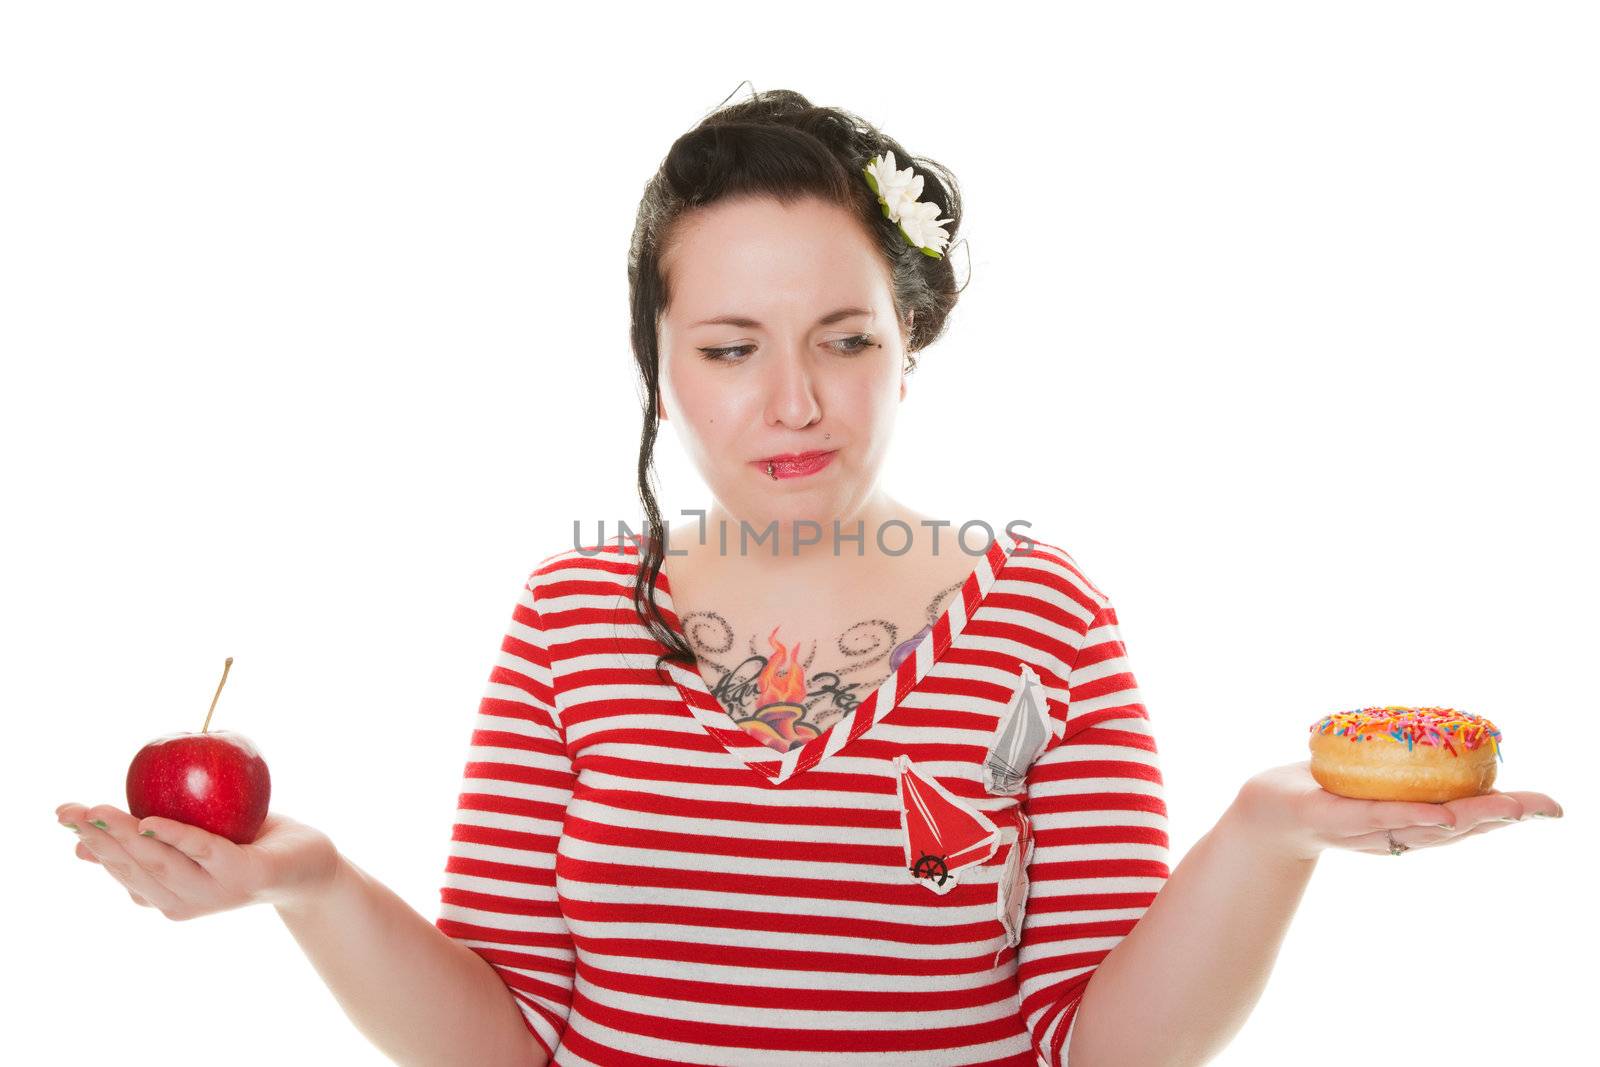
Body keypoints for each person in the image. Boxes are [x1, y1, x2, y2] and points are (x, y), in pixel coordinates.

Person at [55, 84, 1563, 1067]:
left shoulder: (1043, 619)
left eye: (846, 341)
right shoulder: (569, 622)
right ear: (656, 368)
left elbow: (1092, 1051)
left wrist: (1267, 836)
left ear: (910, 347)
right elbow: (513, 1042)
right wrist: (309, 884)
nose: (795, 403)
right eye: (730, 349)